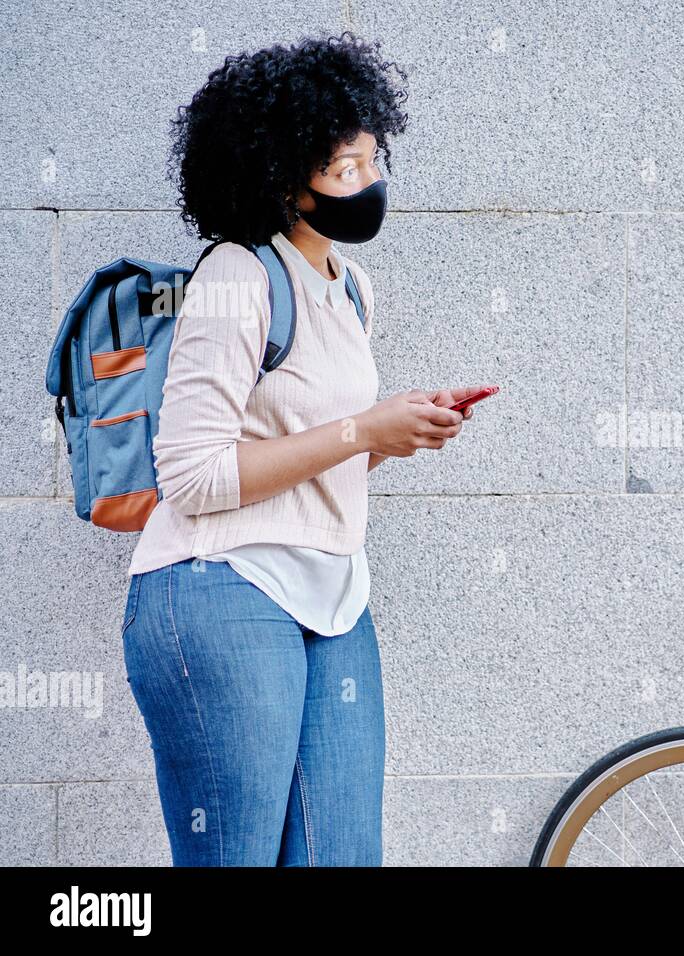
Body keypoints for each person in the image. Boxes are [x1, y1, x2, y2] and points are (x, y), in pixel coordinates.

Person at [120, 31, 481, 866]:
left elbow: (313, 454)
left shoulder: (351, 290)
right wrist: (362, 429)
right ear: (282, 179)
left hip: (334, 594)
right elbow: (193, 476)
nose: (368, 181)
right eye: (343, 168)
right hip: (220, 589)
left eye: (372, 159)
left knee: (341, 855)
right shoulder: (237, 279)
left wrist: (398, 434)